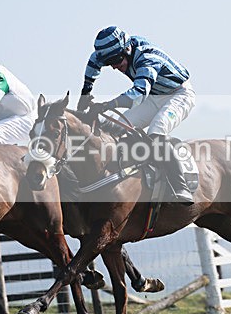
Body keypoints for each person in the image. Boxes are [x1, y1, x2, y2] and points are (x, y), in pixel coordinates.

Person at [77, 26, 196, 203]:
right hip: (154, 96)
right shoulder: (108, 52)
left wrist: (108, 105)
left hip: (178, 95)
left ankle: (180, 187)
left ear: (127, 49)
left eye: (117, 60)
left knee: (156, 131)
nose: (116, 67)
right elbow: (93, 64)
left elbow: (139, 93)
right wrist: (85, 95)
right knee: (117, 127)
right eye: (110, 64)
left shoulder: (147, 58)